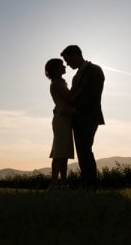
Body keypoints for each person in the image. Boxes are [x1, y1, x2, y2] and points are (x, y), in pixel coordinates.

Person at [60, 45, 104, 189]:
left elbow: (94, 96)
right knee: (82, 151)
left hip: (89, 117)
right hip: (77, 119)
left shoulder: (95, 70)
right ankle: (86, 183)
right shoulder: (75, 77)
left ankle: (90, 184)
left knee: (85, 149)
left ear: (76, 55)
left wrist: (74, 110)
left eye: (68, 60)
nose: (67, 64)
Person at [44, 58, 74, 189]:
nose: (65, 67)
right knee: (61, 153)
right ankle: (61, 183)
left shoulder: (58, 83)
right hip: (62, 120)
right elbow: (71, 98)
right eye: (62, 65)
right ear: (56, 69)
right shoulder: (56, 84)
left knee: (60, 152)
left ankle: (57, 183)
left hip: (62, 119)